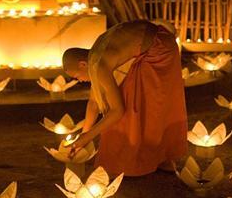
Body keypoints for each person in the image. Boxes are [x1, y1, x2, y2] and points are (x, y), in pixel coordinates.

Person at [62, 20, 188, 177]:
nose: (79, 80)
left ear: (82, 64)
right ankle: (157, 156)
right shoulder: (95, 56)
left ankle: (155, 157)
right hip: (150, 45)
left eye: (77, 77)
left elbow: (117, 110)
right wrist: (83, 136)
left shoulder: (99, 64)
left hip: (161, 48)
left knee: (144, 105)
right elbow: (93, 103)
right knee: (130, 98)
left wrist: (89, 136)